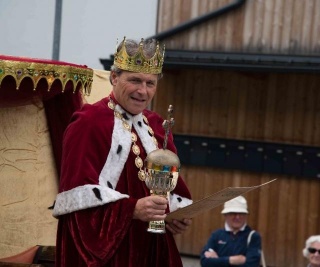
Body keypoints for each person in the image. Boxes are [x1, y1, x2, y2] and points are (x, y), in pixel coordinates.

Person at [52, 37, 193, 267]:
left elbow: (170, 187)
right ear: (114, 77)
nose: (143, 91)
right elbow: (75, 203)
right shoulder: (87, 123)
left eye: (150, 83)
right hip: (109, 255)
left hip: (152, 248)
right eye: (135, 80)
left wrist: (175, 214)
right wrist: (132, 209)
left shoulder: (157, 125)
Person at [200, 196, 262, 267]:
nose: (237, 217)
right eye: (233, 213)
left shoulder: (253, 237)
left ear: (246, 215)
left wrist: (218, 260)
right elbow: (204, 262)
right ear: (225, 215)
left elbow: (251, 264)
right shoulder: (216, 235)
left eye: (241, 213)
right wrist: (232, 260)